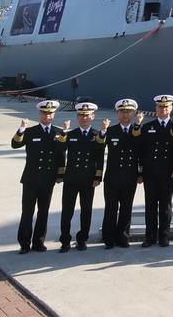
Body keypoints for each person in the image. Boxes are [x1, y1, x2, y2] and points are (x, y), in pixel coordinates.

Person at [11, 99, 65, 254]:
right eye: (44, 113)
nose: (47, 116)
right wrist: (21, 128)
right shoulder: (31, 131)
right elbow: (15, 144)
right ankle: (24, 243)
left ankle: (39, 242)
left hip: (48, 179)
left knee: (43, 212)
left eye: (50, 114)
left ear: (54, 115)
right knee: (27, 211)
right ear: (40, 114)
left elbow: (62, 154)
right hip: (31, 178)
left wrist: (60, 175)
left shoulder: (58, 132)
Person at [57, 101, 105, 252]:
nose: (84, 118)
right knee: (67, 211)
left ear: (93, 116)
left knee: (86, 211)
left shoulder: (97, 135)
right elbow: (60, 151)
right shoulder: (70, 135)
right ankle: (65, 240)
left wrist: (98, 177)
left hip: (88, 179)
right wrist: (64, 132)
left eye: (87, 116)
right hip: (71, 178)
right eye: (81, 116)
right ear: (78, 117)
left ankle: (82, 239)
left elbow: (100, 156)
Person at [137, 94, 173, 247]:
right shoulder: (148, 127)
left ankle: (164, 236)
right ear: (156, 108)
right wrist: (141, 172)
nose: (163, 109)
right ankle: (150, 236)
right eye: (160, 107)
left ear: (171, 108)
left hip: (167, 173)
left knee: (165, 206)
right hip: (150, 173)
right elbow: (141, 152)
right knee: (150, 206)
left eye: (166, 107)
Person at [101, 98, 142, 249]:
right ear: (117, 113)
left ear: (133, 113)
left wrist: (140, 173)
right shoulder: (111, 131)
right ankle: (109, 238)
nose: (125, 115)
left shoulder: (138, 131)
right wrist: (103, 131)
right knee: (111, 209)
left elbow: (142, 154)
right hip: (112, 177)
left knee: (126, 208)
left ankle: (123, 237)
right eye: (122, 112)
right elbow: (98, 148)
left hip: (130, 176)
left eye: (128, 112)